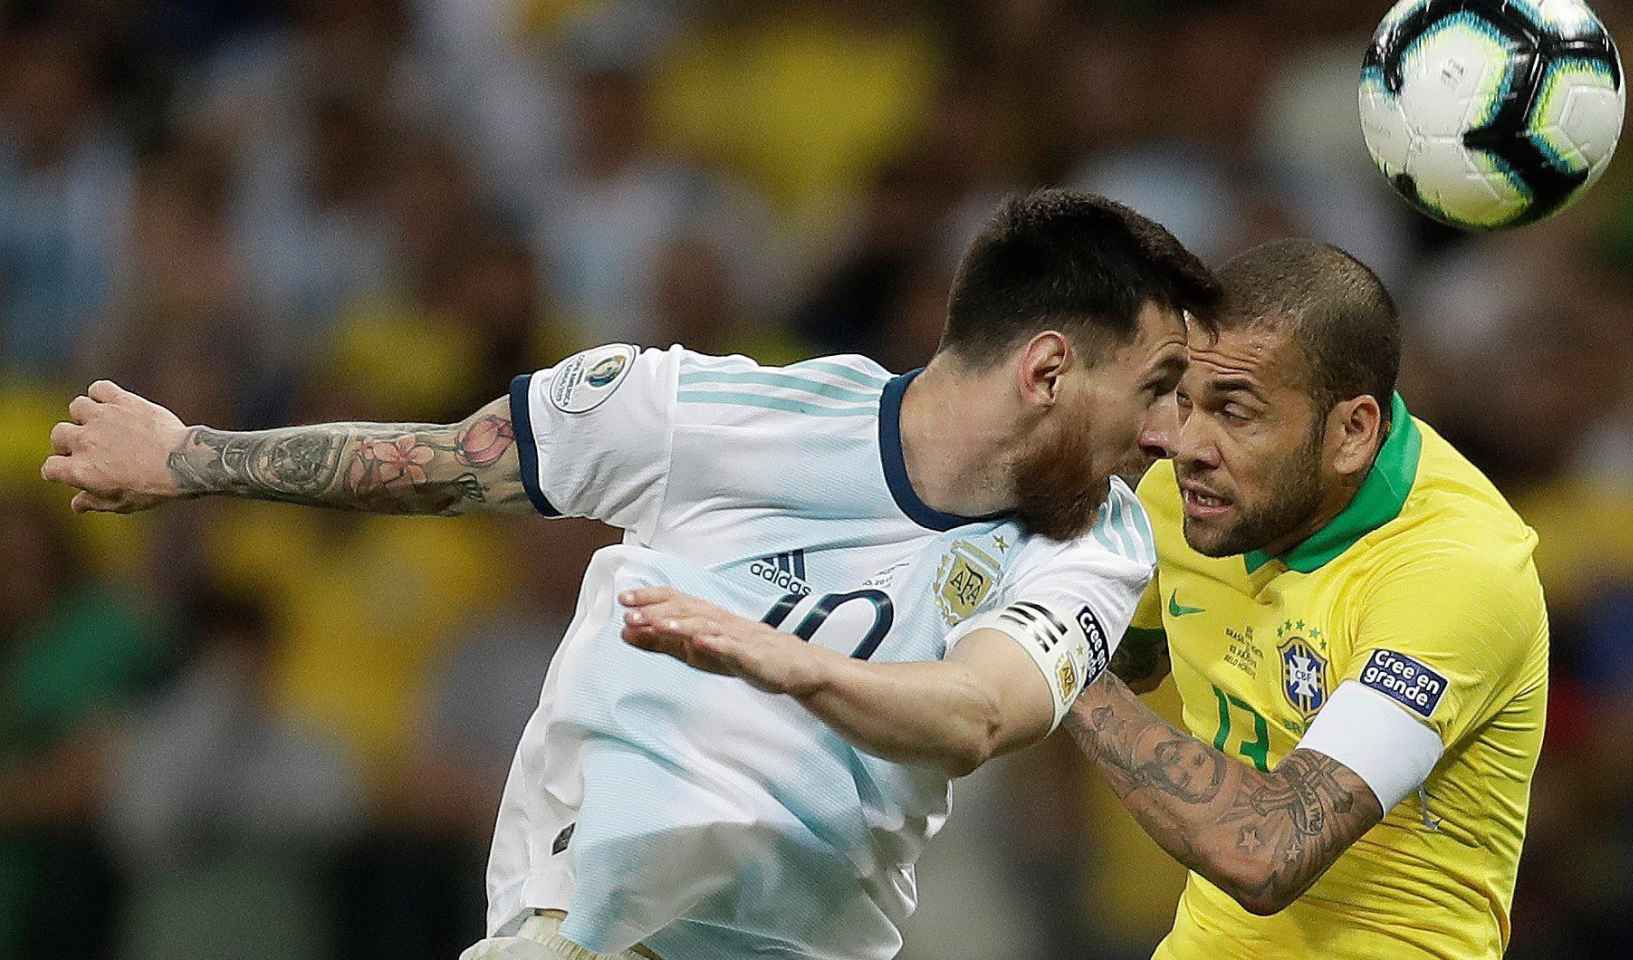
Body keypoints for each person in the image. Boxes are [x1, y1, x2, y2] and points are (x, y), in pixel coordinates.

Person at [40, 190, 1219, 960]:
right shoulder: (698, 412)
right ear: (1049, 372)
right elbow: (440, 466)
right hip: (594, 902)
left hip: (802, 940)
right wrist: (193, 456)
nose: (1168, 432)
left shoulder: (1097, 540)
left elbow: (976, 715)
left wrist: (784, 661)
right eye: (1158, 386)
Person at [633, 239, 1546, 959]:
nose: (1186, 444)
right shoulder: (1188, 498)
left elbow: (1265, 853)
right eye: (1180, 399)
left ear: (1352, 432)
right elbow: (1126, 651)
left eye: (1234, 410)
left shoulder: (1456, 572)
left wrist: (1047, 643)